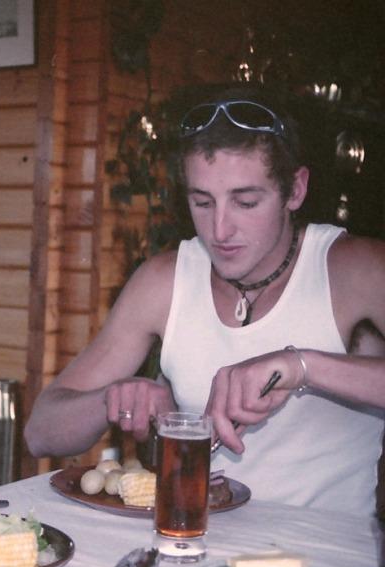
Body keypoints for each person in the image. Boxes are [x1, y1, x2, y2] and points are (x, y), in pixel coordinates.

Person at [24, 87, 385, 516]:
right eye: (202, 202)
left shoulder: (354, 268)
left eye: (245, 202)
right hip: (195, 538)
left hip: (326, 549)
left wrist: (301, 366)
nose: (220, 229)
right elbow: (40, 432)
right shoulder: (164, 280)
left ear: (295, 190)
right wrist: (112, 399)